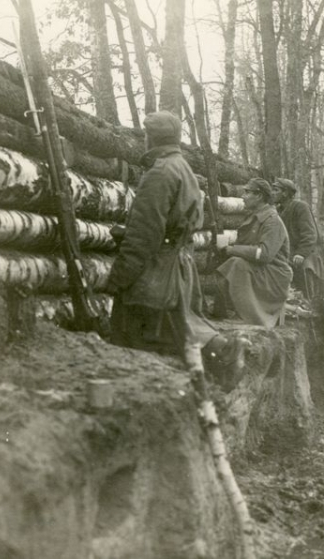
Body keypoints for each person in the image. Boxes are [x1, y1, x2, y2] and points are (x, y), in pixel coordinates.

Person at [104, 111, 237, 382]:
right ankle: (220, 355)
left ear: (149, 138)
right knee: (177, 325)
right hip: (178, 263)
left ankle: (221, 356)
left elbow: (144, 235)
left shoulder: (160, 173)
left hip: (158, 268)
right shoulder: (183, 168)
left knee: (137, 331)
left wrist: (118, 278)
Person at [214, 178, 292, 328]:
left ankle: (247, 315)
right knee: (232, 263)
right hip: (262, 271)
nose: (243, 196)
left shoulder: (272, 221)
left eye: (247, 192)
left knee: (238, 264)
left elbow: (264, 254)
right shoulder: (254, 216)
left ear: (259, 196)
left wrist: (232, 250)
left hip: (274, 275)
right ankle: (228, 311)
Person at [271, 178, 324, 301]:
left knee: (305, 279)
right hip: (290, 253)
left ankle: (309, 305)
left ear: (285, 193)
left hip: (307, 253)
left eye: (276, 190)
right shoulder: (279, 210)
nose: (272, 193)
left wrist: (301, 253)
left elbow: (310, 234)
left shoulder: (300, 206)